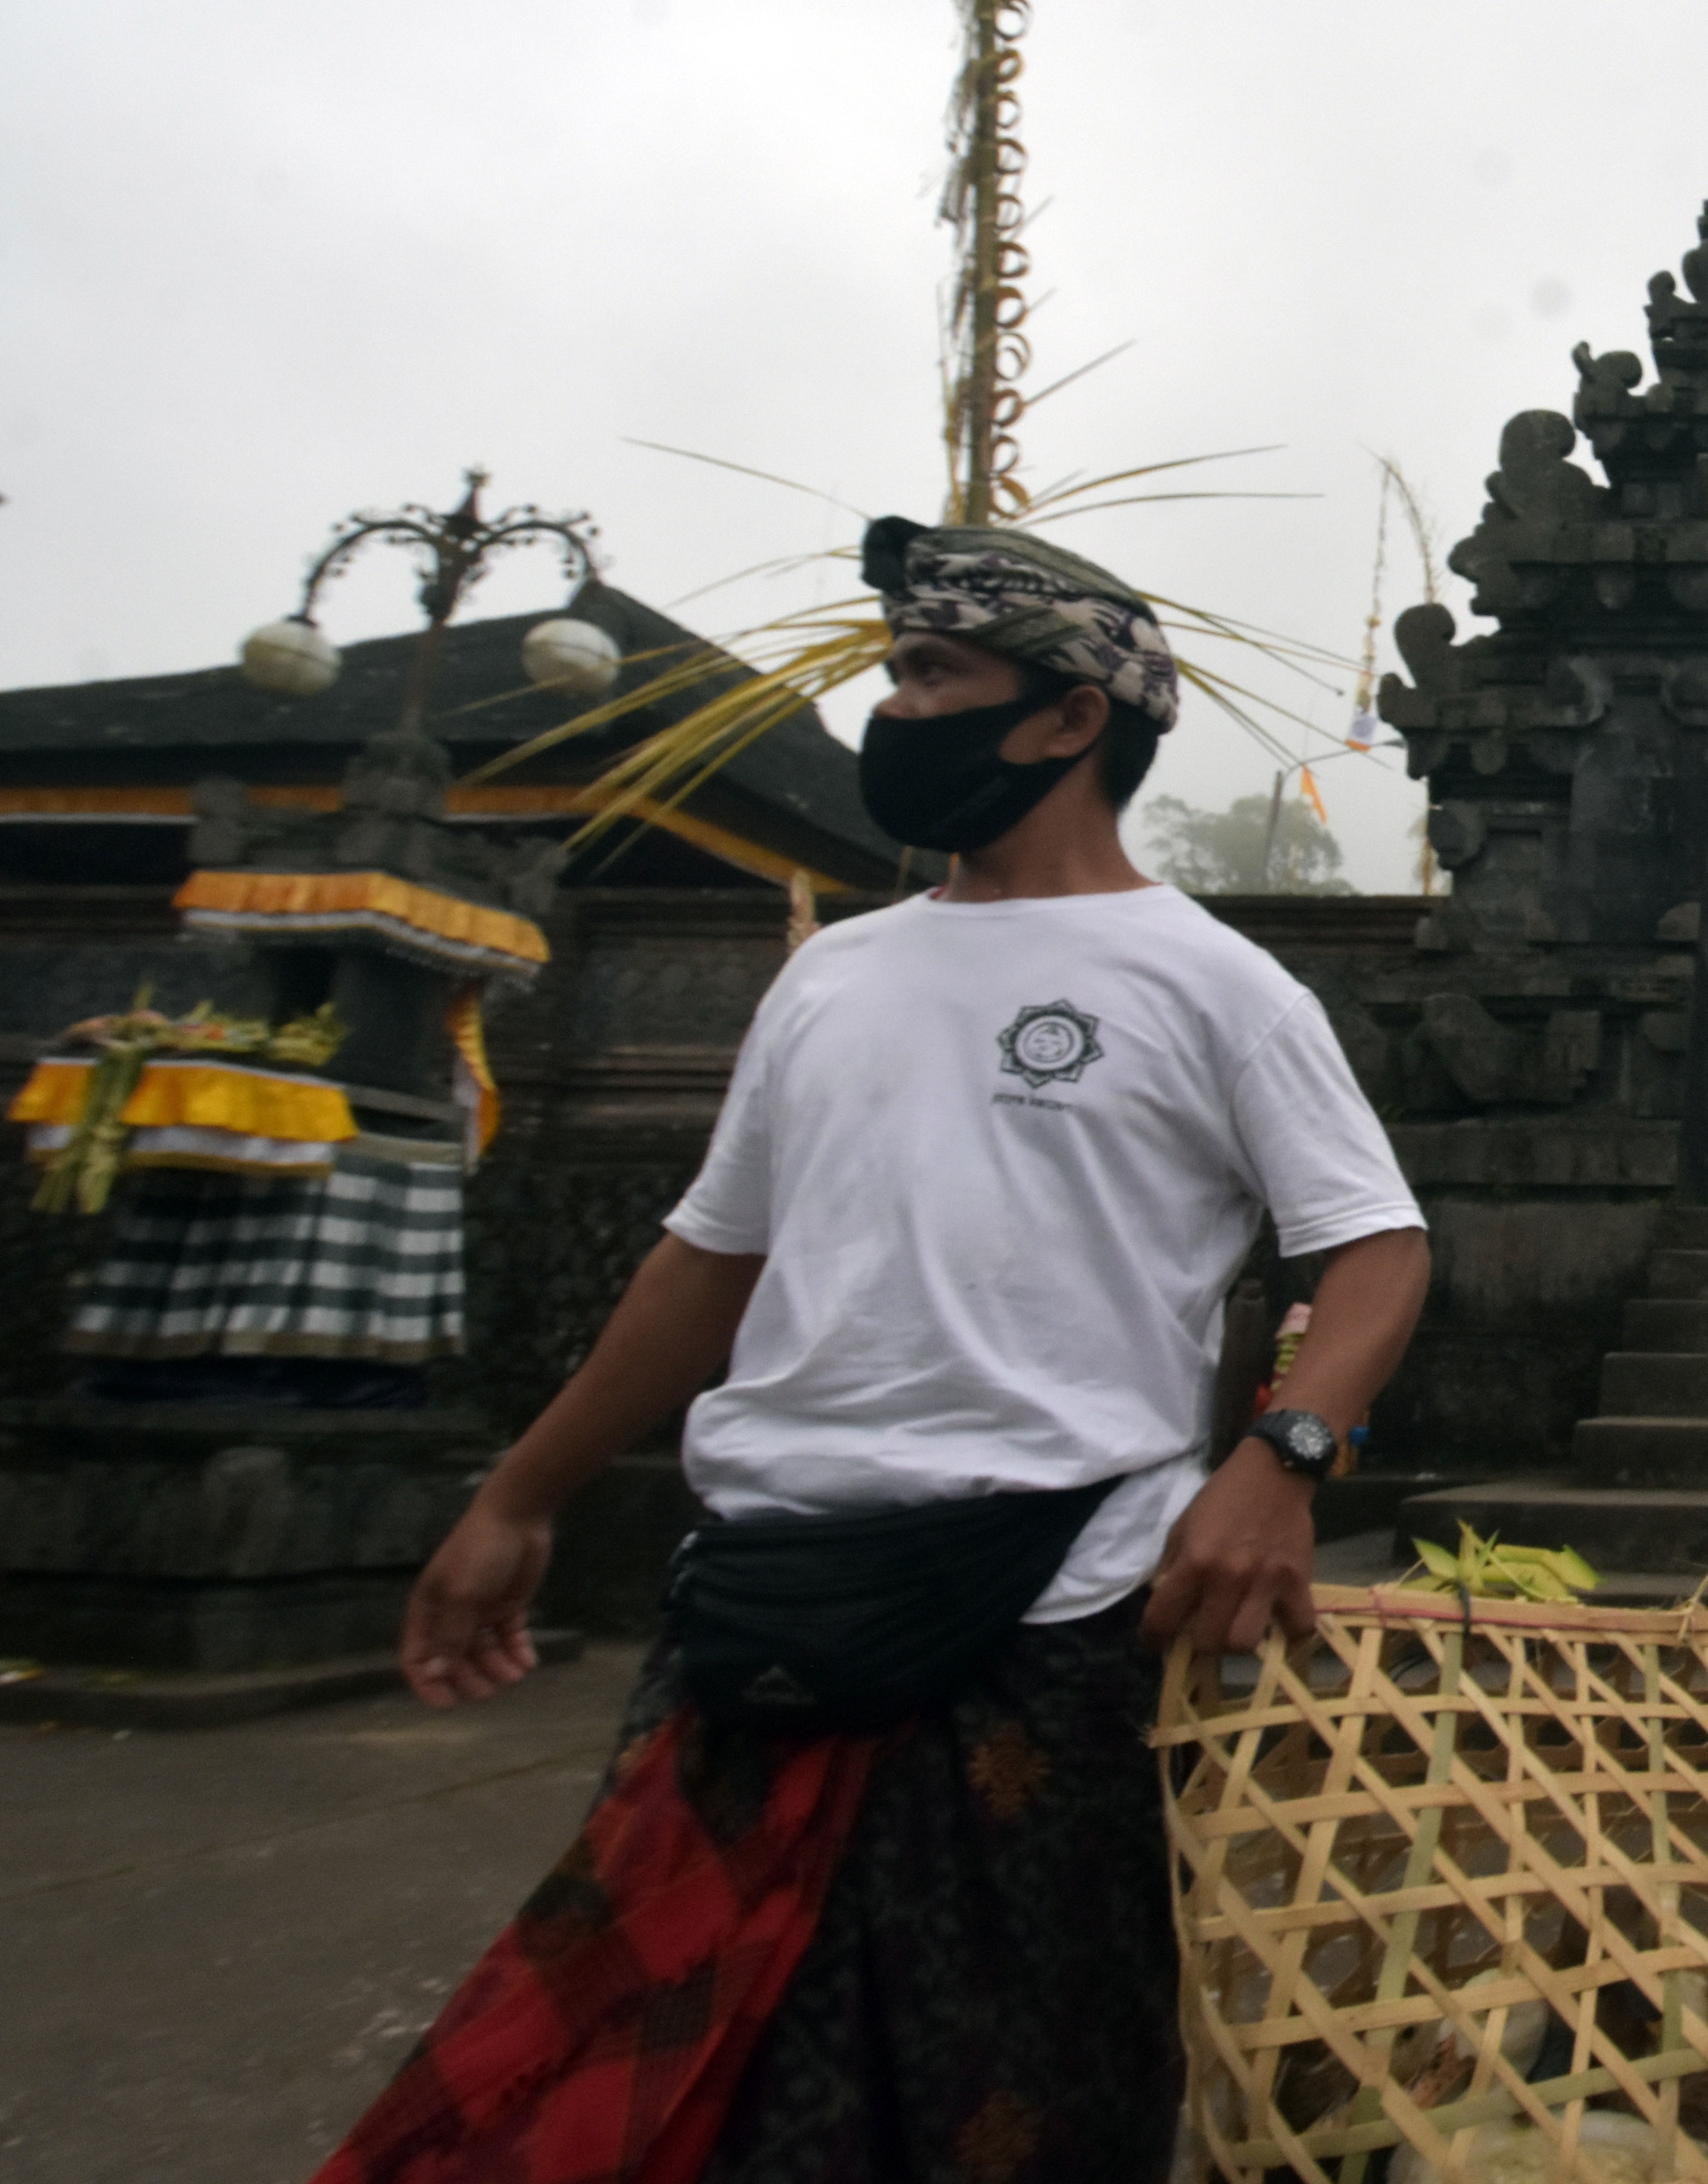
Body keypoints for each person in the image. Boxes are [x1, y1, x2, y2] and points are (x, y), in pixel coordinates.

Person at [317, 516, 1432, 2184]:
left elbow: (1375, 1248)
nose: (894, 713)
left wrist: (1285, 1457)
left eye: (932, 674)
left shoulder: (1215, 985)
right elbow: (708, 1262)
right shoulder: (830, 977)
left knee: (1020, 2104)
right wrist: (522, 1491)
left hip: (1051, 1609)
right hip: (756, 1597)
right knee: (658, 2103)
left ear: (1068, 718)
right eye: (897, 674)